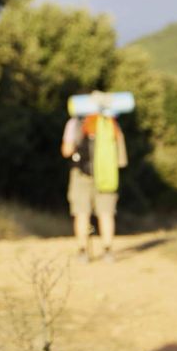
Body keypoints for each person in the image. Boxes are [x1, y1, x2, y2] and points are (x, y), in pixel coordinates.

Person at [61, 112, 128, 262]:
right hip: (107, 173)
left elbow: (66, 151)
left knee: (81, 213)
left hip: (81, 174)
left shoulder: (75, 122)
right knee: (106, 213)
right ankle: (108, 251)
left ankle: (83, 251)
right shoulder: (110, 121)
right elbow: (120, 154)